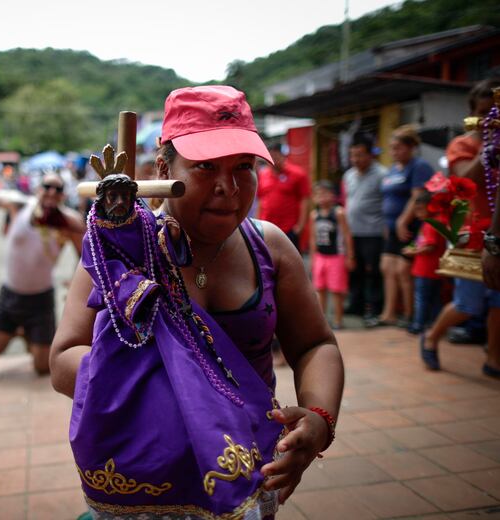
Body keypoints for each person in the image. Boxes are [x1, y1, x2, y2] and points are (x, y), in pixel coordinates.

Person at [51, 86, 344, 517]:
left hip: (243, 475)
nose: (228, 187)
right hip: (142, 480)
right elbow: (63, 361)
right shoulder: (119, 254)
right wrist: (173, 387)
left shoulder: (271, 247)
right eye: (205, 167)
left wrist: (320, 419)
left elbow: (315, 345)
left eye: (243, 167)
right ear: (164, 168)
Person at [0, 172, 85, 375]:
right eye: (47, 186)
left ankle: (29, 332)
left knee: (42, 367)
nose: (51, 192)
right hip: (10, 295)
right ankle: (20, 331)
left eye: (58, 189)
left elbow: (85, 254)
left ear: (63, 195)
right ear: (39, 189)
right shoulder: (20, 205)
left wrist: (75, 284)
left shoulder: (68, 220)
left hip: (41, 299)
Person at [421, 78, 500, 377]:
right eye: (484, 112)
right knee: (468, 304)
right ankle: (431, 336)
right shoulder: (461, 145)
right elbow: (466, 181)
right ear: (473, 114)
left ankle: (494, 360)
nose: (490, 118)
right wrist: (489, 146)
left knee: (498, 303)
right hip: (471, 235)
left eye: (495, 111)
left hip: (498, 234)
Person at [377, 125, 434, 329]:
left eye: (398, 148)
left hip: (411, 226)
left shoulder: (419, 166)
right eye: (392, 148)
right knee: (387, 267)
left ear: (410, 147)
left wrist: (402, 220)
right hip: (391, 227)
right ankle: (389, 313)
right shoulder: (393, 169)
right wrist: (389, 224)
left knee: (403, 270)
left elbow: (417, 196)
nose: (394, 152)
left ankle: (410, 314)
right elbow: (388, 197)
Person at [342, 134, 386, 325]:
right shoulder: (348, 175)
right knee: (354, 270)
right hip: (352, 232)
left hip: (373, 232)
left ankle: (374, 309)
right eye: (352, 155)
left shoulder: (382, 175)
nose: (355, 159)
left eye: (359, 155)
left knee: (373, 272)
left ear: (370, 154)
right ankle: (356, 305)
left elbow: (387, 204)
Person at [310, 180, 354, 330]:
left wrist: (350, 256)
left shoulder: (338, 212)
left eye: (325, 193)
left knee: (336, 290)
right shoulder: (314, 215)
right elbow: (313, 237)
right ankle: (322, 321)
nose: (321, 196)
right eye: (318, 194)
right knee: (320, 289)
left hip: (336, 257)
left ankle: (338, 320)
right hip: (320, 257)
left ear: (333, 195)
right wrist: (313, 258)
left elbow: (347, 235)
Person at [402, 192, 446, 335]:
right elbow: (423, 242)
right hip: (433, 269)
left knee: (422, 298)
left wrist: (413, 252)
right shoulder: (434, 223)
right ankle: (434, 323)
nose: (416, 214)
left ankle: (418, 325)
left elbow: (429, 247)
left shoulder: (430, 224)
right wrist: (413, 247)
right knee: (434, 299)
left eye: (420, 209)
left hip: (426, 270)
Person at [257, 142, 311, 250]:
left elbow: (305, 200)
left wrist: (300, 226)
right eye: (270, 156)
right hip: (267, 227)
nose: (273, 159)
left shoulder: (298, 174)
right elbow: (260, 200)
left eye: (275, 155)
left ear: (283, 155)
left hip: (289, 228)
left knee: (290, 263)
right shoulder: (263, 175)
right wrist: (257, 223)